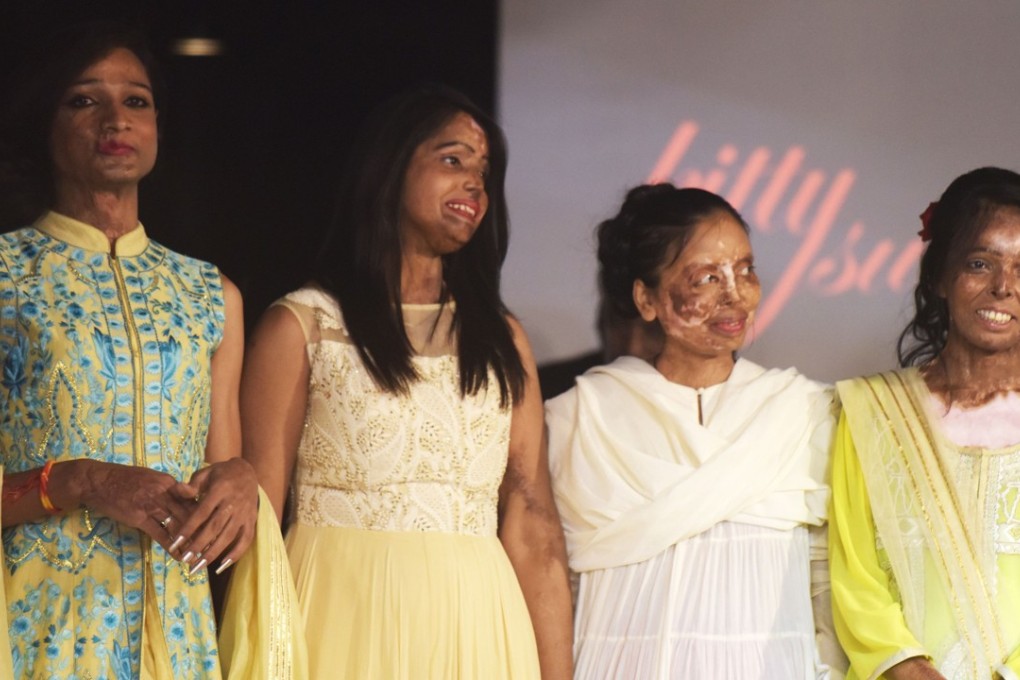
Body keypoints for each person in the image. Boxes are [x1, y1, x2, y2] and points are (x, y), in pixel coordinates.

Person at [0, 22, 303, 679]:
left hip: (177, 632)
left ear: (158, 125)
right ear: (45, 124)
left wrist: (241, 481)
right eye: (84, 100)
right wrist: (79, 481)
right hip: (36, 630)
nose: (116, 118)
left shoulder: (209, 293)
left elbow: (221, 471)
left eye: (135, 100)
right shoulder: (7, 275)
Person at [240, 85, 574, 678]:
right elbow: (258, 511)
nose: (475, 183)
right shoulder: (304, 325)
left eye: (484, 171)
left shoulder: (501, 336)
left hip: (477, 621)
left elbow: (531, 517)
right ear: (391, 170)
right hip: (339, 614)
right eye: (453, 160)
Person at [546, 183, 843, 678]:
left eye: (746, 270)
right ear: (646, 298)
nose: (735, 295)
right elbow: (556, 581)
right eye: (707, 277)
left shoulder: (804, 411)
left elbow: (824, 579)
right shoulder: (580, 418)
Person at [830, 167, 1020, 680]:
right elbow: (854, 575)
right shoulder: (869, 409)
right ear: (939, 275)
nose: (1004, 287)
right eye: (980, 263)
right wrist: (907, 668)